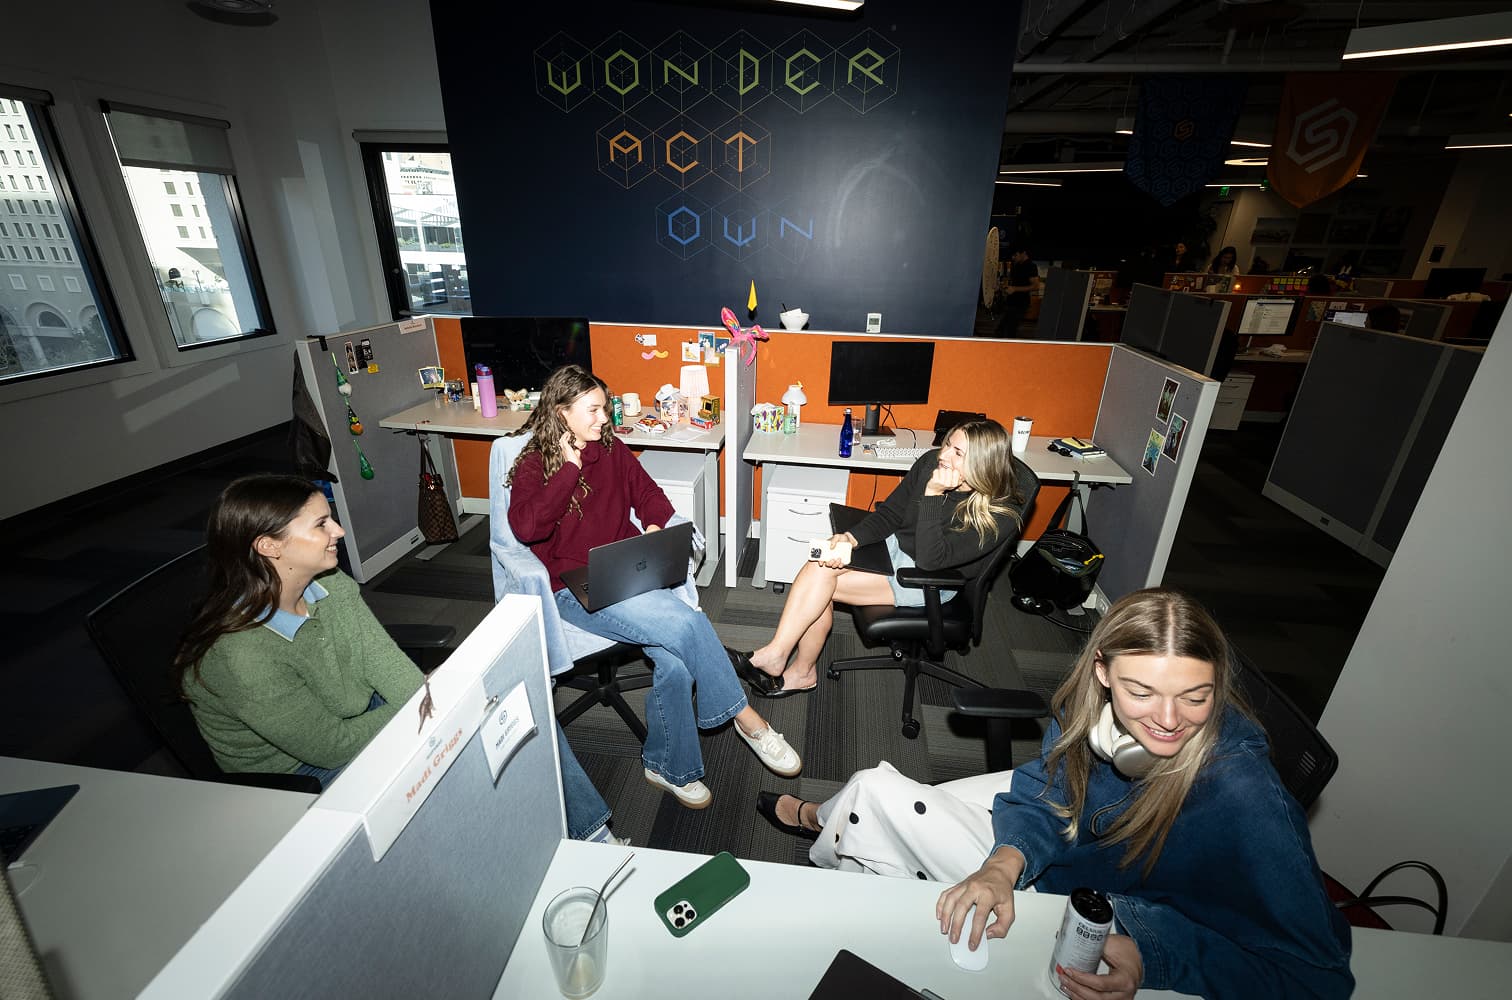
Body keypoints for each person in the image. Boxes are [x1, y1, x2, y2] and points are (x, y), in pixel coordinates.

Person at [755, 588, 1353, 1000]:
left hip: (1099, 903)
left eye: (1196, 697)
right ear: (1102, 672)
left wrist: (1156, 959)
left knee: (876, 794)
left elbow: (1319, 978)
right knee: (879, 806)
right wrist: (1003, 862)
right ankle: (832, 832)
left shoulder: (1244, 797)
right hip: (1065, 839)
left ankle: (820, 835)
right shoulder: (1089, 708)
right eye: (1141, 691)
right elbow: (1049, 785)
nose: (1168, 721)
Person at [506, 364, 800, 809]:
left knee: (679, 662)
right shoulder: (533, 463)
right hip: (575, 586)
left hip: (627, 568)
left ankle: (667, 766)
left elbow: (649, 495)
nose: (605, 418)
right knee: (685, 626)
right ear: (562, 412)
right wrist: (568, 468)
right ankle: (748, 718)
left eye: (604, 407)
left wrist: (656, 524)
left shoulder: (611, 449)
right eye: (594, 410)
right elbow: (527, 528)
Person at [732, 419, 1029, 697]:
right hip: (895, 547)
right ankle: (786, 661)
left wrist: (933, 494)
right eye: (948, 443)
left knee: (819, 583)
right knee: (820, 566)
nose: (944, 455)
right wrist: (850, 538)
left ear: (981, 463)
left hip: (929, 579)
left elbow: (930, 559)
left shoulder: (997, 516)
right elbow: (891, 514)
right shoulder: (930, 462)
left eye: (958, 452)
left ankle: (788, 663)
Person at [175, 475, 426, 790]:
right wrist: (420, 707)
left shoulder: (332, 582)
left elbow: (382, 661)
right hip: (299, 771)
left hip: (353, 712)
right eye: (322, 524)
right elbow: (333, 748)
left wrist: (429, 697)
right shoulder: (242, 655)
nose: (339, 531)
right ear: (269, 546)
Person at [992, 246, 1042, 336]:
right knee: (1001, 330)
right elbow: (1012, 283)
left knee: (1009, 330)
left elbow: (1035, 286)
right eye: (1013, 255)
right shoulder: (1016, 265)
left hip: (1021, 304)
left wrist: (1015, 289)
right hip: (1011, 302)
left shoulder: (1031, 266)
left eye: (1016, 255)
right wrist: (1001, 287)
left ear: (1024, 253)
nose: (1013, 257)